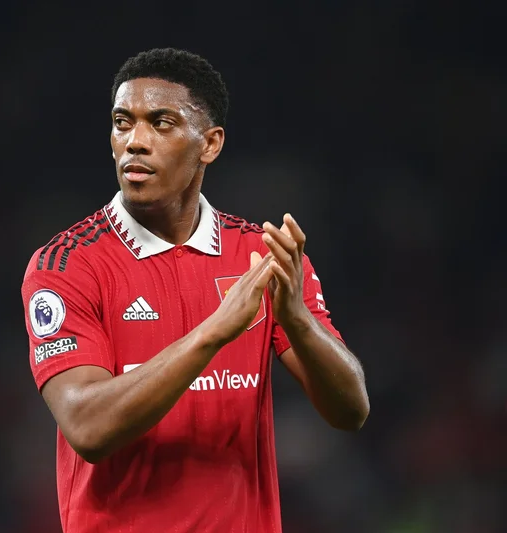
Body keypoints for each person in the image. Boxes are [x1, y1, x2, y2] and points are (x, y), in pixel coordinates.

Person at [20, 47, 370, 533]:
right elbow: (88, 427)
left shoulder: (259, 255)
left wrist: (298, 321)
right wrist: (213, 333)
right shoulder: (67, 264)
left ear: (210, 144)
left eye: (160, 123)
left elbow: (351, 410)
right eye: (123, 123)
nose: (135, 142)